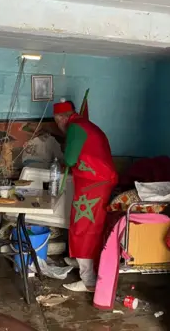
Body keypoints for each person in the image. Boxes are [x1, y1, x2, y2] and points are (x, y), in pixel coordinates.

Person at [54, 100, 117, 292]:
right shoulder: (86, 124)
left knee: (84, 227)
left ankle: (88, 280)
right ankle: (81, 261)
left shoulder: (74, 128)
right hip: (99, 181)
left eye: (56, 122)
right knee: (89, 225)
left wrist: (65, 159)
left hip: (94, 183)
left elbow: (71, 159)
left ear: (61, 119)